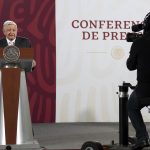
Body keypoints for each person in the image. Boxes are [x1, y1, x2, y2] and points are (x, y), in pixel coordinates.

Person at [127, 12, 150, 150]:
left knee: (131, 106)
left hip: (145, 91)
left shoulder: (139, 42)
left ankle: (142, 138)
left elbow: (130, 66)